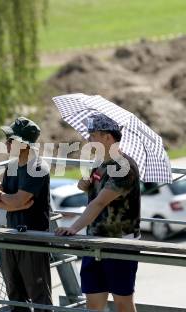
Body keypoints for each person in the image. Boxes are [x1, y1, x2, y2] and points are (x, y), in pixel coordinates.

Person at [55, 114, 141, 312]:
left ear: (108, 138)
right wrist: (84, 185)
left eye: (93, 135)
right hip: (95, 240)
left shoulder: (124, 167)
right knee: (93, 303)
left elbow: (100, 202)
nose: (88, 140)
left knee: (123, 303)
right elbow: (93, 191)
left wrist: (74, 228)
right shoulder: (100, 162)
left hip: (119, 243)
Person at [0, 117, 52, 312]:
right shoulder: (10, 167)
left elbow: (16, 200)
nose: (7, 144)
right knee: (15, 296)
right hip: (12, 236)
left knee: (39, 297)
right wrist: (12, 202)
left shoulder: (38, 168)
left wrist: (8, 200)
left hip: (33, 238)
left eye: (11, 140)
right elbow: (3, 201)